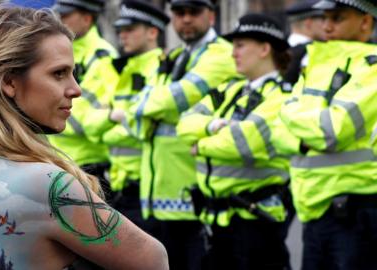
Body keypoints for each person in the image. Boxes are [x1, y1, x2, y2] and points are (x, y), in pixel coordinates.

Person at [0, 5, 168, 269]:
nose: (76, 89)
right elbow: (154, 260)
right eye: (58, 73)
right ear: (9, 82)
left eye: (73, 73)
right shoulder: (45, 184)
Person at [127, 0, 238, 269]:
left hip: (193, 191)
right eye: (179, 13)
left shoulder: (222, 53)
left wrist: (147, 106)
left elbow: (181, 96)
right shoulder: (174, 56)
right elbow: (135, 109)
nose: (186, 19)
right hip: (158, 191)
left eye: (193, 12)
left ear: (211, 15)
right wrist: (146, 107)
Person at [177, 13, 292, 270]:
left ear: (265, 48)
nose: (233, 53)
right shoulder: (229, 91)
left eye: (240, 45)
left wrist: (201, 145)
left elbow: (243, 143)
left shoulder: (282, 95)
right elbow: (184, 124)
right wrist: (213, 125)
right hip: (217, 220)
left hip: (256, 222)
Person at [276, 0, 377, 269]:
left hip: (356, 213)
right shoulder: (316, 66)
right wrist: (303, 136)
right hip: (314, 210)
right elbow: (276, 129)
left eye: (338, 18)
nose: (327, 26)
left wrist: (292, 118)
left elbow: (331, 130)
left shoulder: (372, 68)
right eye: (325, 18)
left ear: (365, 22)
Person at [83, 0, 169, 230]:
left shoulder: (161, 69)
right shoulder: (121, 69)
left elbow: (143, 129)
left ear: (152, 32)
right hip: (117, 186)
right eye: (120, 30)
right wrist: (114, 117)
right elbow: (89, 125)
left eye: (130, 30)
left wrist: (109, 126)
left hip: (147, 185)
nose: (122, 36)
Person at [49, 0, 117, 190]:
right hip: (58, 160)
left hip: (88, 164)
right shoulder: (62, 53)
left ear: (87, 19)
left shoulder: (102, 55)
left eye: (66, 16)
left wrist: (46, 116)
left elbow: (88, 120)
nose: (59, 20)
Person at [284, 0, 325, 84]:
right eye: (323, 19)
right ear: (308, 23)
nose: (327, 25)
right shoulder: (313, 52)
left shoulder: (278, 50)